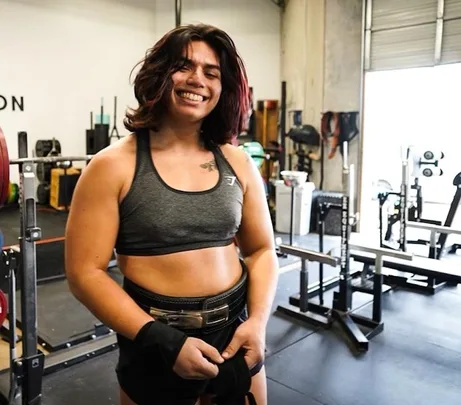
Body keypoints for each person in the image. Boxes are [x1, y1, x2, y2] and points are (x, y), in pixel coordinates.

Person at [65, 23, 279, 405]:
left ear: (223, 88)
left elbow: (262, 250)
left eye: (212, 73)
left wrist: (257, 323)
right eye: (184, 66)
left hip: (234, 336)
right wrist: (162, 341)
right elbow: (85, 273)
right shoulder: (112, 166)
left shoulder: (238, 162)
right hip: (155, 341)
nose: (197, 79)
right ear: (159, 74)